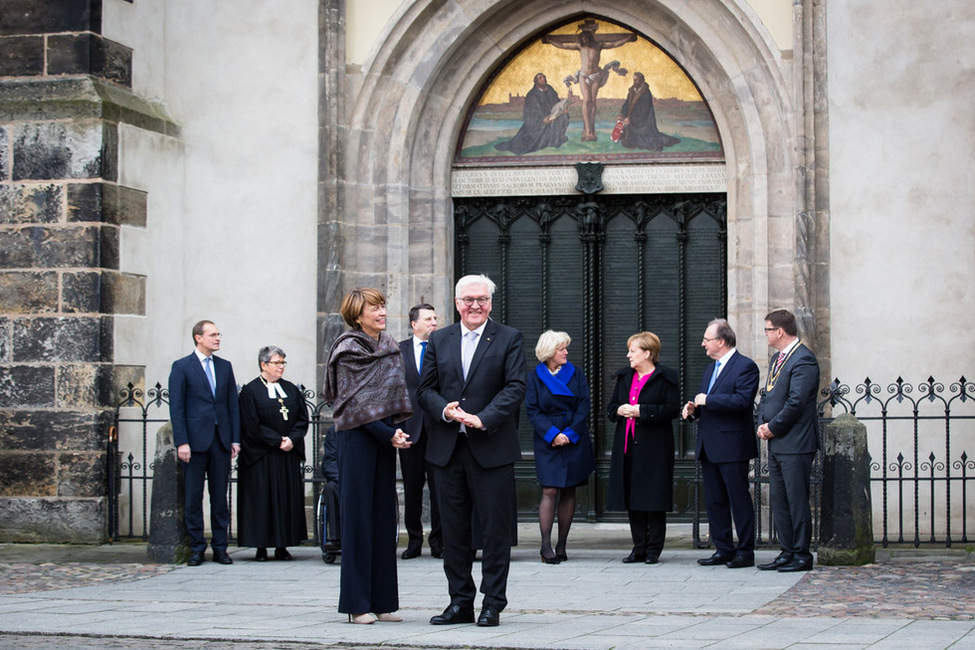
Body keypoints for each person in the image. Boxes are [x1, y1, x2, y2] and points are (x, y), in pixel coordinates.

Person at [417, 274, 525, 628]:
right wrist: (445, 410)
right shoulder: (440, 339)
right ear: (457, 302)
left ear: (491, 303)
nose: (475, 305)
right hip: (447, 450)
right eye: (468, 300)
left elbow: (514, 387)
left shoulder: (509, 338)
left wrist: (483, 418)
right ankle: (460, 601)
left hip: (490, 447)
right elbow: (425, 389)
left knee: (495, 531)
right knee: (453, 531)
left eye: (481, 299)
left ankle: (493, 602)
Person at [322, 288, 414, 624]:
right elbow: (356, 402)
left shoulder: (389, 346)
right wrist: (388, 433)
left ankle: (382, 601)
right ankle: (356, 604)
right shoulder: (348, 349)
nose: (381, 312)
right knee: (358, 521)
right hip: (356, 440)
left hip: (383, 439)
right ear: (357, 314)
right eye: (374, 307)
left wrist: (394, 431)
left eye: (382, 305)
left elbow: (390, 395)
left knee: (383, 519)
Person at [682, 319, 760, 569]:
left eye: (707, 338)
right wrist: (693, 410)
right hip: (709, 445)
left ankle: (745, 551)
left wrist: (708, 401)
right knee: (714, 501)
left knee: (738, 499)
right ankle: (723, 548)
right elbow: (706, 403)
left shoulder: (745, 367)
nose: (703, 343)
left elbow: (742, 401)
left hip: (733, 445)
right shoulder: (710, 369)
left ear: (722, 341)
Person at [168, 320, 241, 566]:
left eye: (218, 334)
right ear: (198, 338)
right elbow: (177, 408)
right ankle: (197, 547)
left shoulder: (224, 366)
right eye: (212, 334)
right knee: (193, 497)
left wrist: (234, 439)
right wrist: (182, 442)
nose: (218, 338)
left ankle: (221, 547)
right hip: (195, 442)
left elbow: (232, 405)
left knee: (220, 498)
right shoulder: (182, 367)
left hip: (220, 442)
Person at [606, 331, 680, 565]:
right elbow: (611, 408)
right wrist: (620, 410)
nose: (628, 355)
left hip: (655, 447)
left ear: (647, 353)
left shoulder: (666, 377)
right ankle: (638, 547)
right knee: (633, 497)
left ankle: (653, 549)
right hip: (627, 445)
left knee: (653, 497)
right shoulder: (625, 377)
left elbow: (672, 410)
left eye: (633, 351)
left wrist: (642, 411)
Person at [756, 309, 821, 573]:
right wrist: (762, 421)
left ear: (780, 331)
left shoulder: (803, 359)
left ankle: (802, 554)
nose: (766, 334)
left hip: (795, 443)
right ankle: (787, 551)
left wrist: (773, 426)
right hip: (777, 441)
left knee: (796, 500)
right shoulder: (777, 360)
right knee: (779, 500)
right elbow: (769, 395)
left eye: (767, 330)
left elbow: (796, 402)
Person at [525, 330, 596, 564]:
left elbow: (584, 404)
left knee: (569, 489)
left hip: (574, 436)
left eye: (566, 347)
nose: (566, 352)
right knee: (550, 489)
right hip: (548, 438)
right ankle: (545, 547)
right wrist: (553, 434)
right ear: (549, 351)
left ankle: (562, 545)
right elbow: (533, 410)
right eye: (561, 348)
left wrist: (570, 433)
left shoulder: (576, 373)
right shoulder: (534, 376)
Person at [236, 346, 308, 562]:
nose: (281, 367)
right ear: (263, 365)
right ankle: (260, 547)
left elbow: (302, 419)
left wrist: (291, 440)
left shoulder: (291, 390)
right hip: (262, 456)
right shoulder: (250, 391)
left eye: (283, 363)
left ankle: (282, 545)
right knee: (262, 501)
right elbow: (251, 424)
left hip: (287, 454)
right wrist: (277, 440)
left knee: (286, 500)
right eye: (277, 363)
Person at [399, 303, 444, 559]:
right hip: (410, 430)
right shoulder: (398, 350)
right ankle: (414, 541)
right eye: (428, 318)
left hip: (438, 430)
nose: (434, 322)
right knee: (412, 489)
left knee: (440, 490)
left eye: (435, 318)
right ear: (414, 323)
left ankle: (439, 542)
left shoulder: (443, 347)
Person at [543, 23, 636, 142]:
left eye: (587, 38)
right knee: (586, 100)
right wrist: (550, 40)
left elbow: (614, 44)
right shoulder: (580, 47)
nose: (585, 40)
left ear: (590, 38)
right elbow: (562, 45)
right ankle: (587, 129)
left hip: (596, 75)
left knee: (593, 101)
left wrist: (628, 38)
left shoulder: (598, 46)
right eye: (582, 38)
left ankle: (591, 128)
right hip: (584, 75)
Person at [494, 73, 569, 155]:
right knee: (527, 143)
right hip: (538, 123)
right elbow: (530, 114)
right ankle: (548, 140)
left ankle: (556, 139)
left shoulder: (550, 90)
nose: (543, 79)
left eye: (544, 77)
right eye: (540, 78)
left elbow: (557, 102)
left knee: (564, 117)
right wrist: (542, 120)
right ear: (536, 81)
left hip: (553, 116)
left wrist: (563, 110)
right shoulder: (532, 95)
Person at [617, 72, 680, 151]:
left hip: (644, 121)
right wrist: (622, 115)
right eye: (633, 80)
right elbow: (626, 104)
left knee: (648, 142)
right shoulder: (632, 91)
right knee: (626, 142)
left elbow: (644, 110)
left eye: (636, 80)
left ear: (640, 80)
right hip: (631, 120)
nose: (634, 82)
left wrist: (631, 119)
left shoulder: (646, 93)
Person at [320, 426, 341, 553]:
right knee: (330, 488)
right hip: (341, 479)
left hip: (361, 479)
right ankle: (335, 538)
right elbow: (329, 461)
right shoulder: (334, 432)